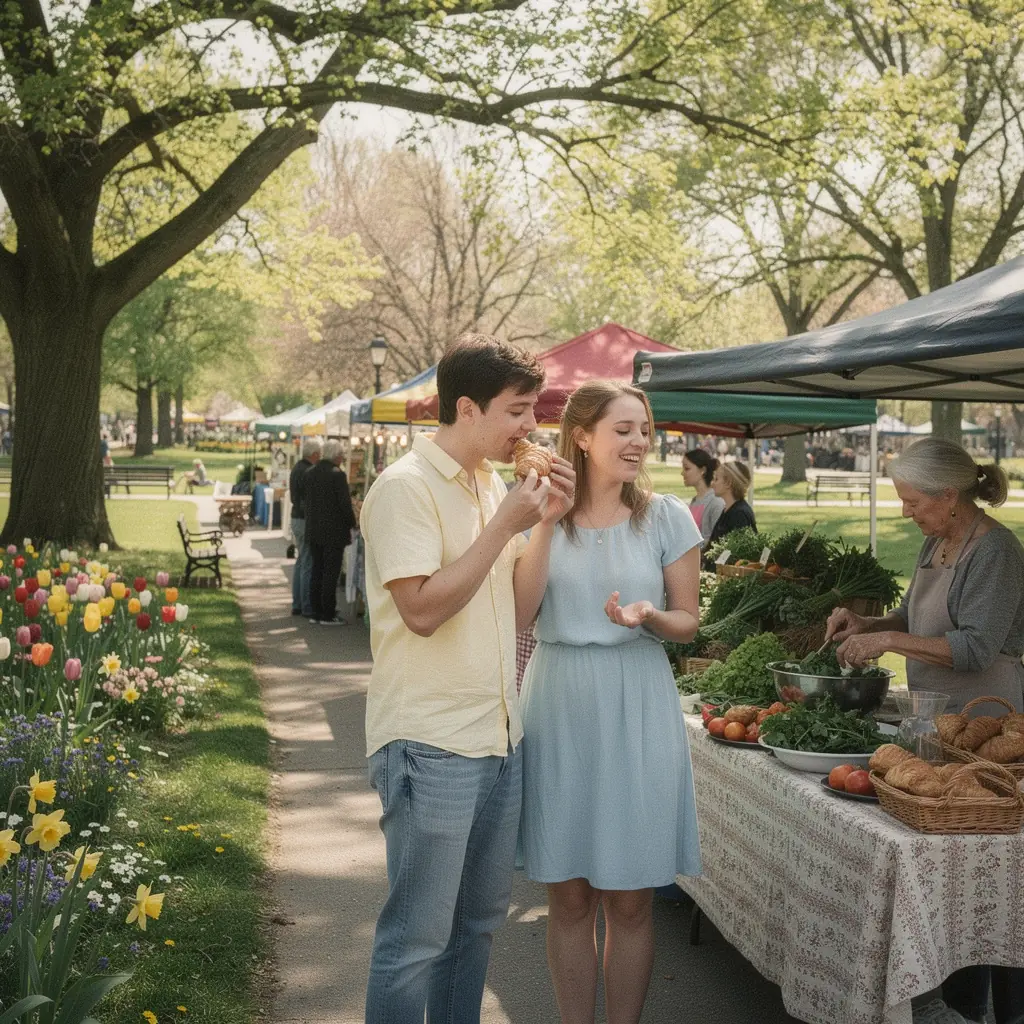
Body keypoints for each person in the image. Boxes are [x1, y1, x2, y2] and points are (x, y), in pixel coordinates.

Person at [359, 334, 573, 1024]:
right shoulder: (405, 489)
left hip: (498, 738)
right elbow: (421, 610)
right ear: (466, 408)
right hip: (430, 741)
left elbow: (520, 608)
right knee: (416, 939)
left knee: (475, 930)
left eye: (531, 410)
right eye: (517, 410)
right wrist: (505, 523)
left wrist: (544, 527)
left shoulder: (489, 486)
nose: (530, 427)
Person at [517, 380, 702, 1024]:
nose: (638, 442)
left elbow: (689, 622)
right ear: (582, 436)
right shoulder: (535, 511)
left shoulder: (668, 517)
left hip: (638, 701)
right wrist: (542, 524)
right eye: (623, 429)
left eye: (644, 430)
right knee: (568, 897)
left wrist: (651, 614)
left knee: (630, 899)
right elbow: (518, 612)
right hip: (559, 701)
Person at [826, 437, 1024, 1024]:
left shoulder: (997, 550)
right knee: (946, 868)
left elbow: (976, 645)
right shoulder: (936, 542)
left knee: (988, 871)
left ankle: (1003, 1008)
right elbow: (915, 619)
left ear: (949, 495)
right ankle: (954, 995)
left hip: (990, 722)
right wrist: (870, 622)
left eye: (912, 501)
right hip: (938, 719)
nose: (905, 512)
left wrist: (886, 642)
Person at [304, 439, 356, 626]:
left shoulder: (310, 473)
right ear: (337, 457)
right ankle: (328, 612)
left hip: (314, 530)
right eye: (341, 455)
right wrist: (352, 523)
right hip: (333, 532)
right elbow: (344, 504)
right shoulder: (337, 475)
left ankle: (316, 610)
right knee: (330, 573)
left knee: (317, 570)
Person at [288, 440, 321, 617]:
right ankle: (306, 605)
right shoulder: (307, 471)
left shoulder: (297, 468)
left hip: (296, 518)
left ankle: (298, 602)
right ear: (314, 454)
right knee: (307, 562)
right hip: (303, 519)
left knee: (301, 561)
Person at [707, 460, 757, 548]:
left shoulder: (739, 514)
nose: (712, 484)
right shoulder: (728, 510)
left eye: (716, 479)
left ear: (728, 483)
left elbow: (739, 554)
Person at [681, 448, 724, 548]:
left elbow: (718, 541)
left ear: (702, 470)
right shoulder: (694, 501)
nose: (682, 473)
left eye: (687, 468)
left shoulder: (716, 502)